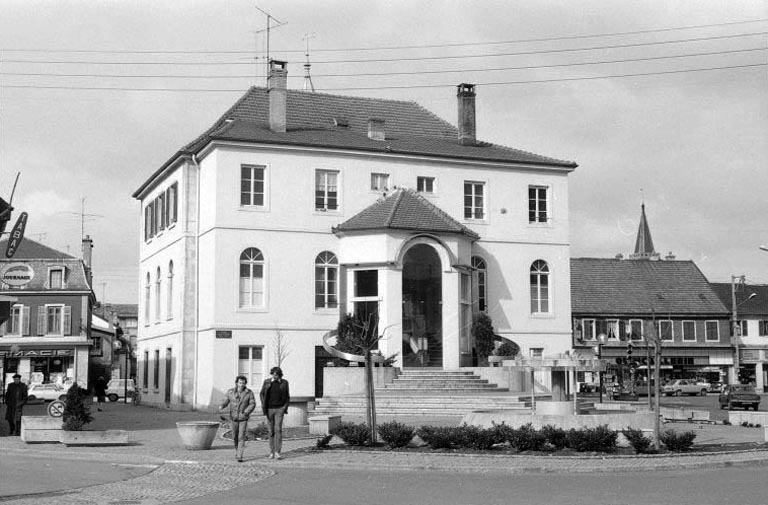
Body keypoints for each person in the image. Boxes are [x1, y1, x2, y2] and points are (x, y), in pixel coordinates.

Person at [219, 375, 256, 462]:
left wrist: (246, 412)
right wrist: (222, 405)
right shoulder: (230, 392)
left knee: (241, 436)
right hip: (233, 418)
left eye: (243, 383)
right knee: (235, 436)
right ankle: (237, 450)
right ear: (236, 383)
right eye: (240, 383)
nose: (241, 384)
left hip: (243, 418)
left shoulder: (249, 393)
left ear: (245, 384)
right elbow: (226, 401)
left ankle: (240, 455)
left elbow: (252, 403)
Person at [259, 366, 290, 460]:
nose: (275, 376)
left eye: (277, 374)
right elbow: (261, 394)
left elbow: (287, 396)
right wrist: (264, 405)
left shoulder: (284, 383)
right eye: (273, 374)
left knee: (278, 429)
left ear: (280, 375)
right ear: (271, 374)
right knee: (270, 431)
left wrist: (284, 407)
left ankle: (277, 452)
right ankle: (271, 452)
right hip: (269, 409)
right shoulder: (267, 382)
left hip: (279, 409)